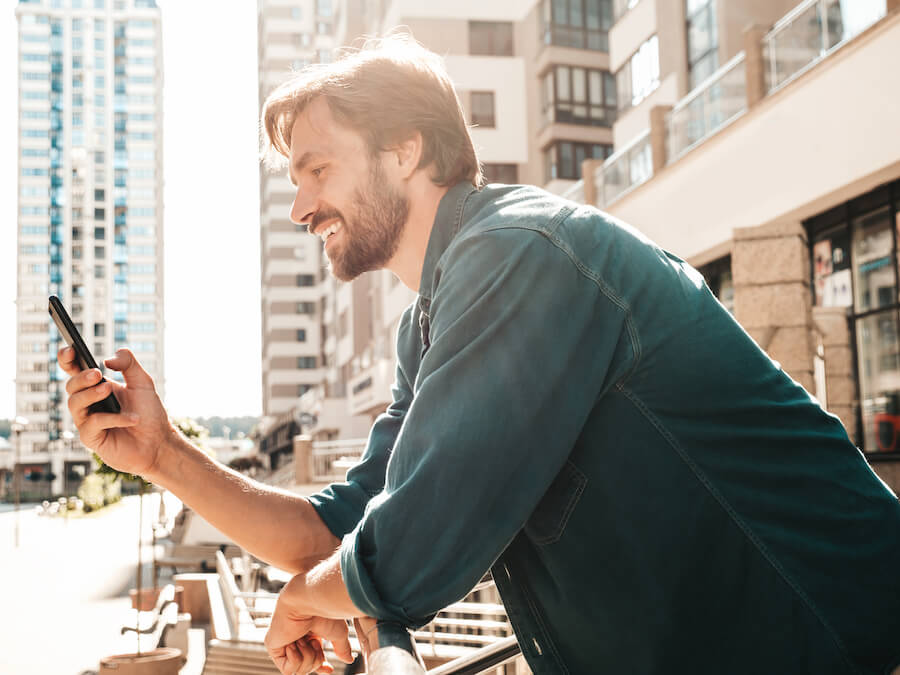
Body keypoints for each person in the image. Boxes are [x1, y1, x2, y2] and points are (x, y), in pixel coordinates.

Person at [59, 36, 900, 675]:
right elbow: (341, 528)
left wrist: (309, 597)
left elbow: (415, 543)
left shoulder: (520, 252)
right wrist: (162, 454)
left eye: (316, 169)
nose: (299, 206)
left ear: (405, 150)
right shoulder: (429, 323)